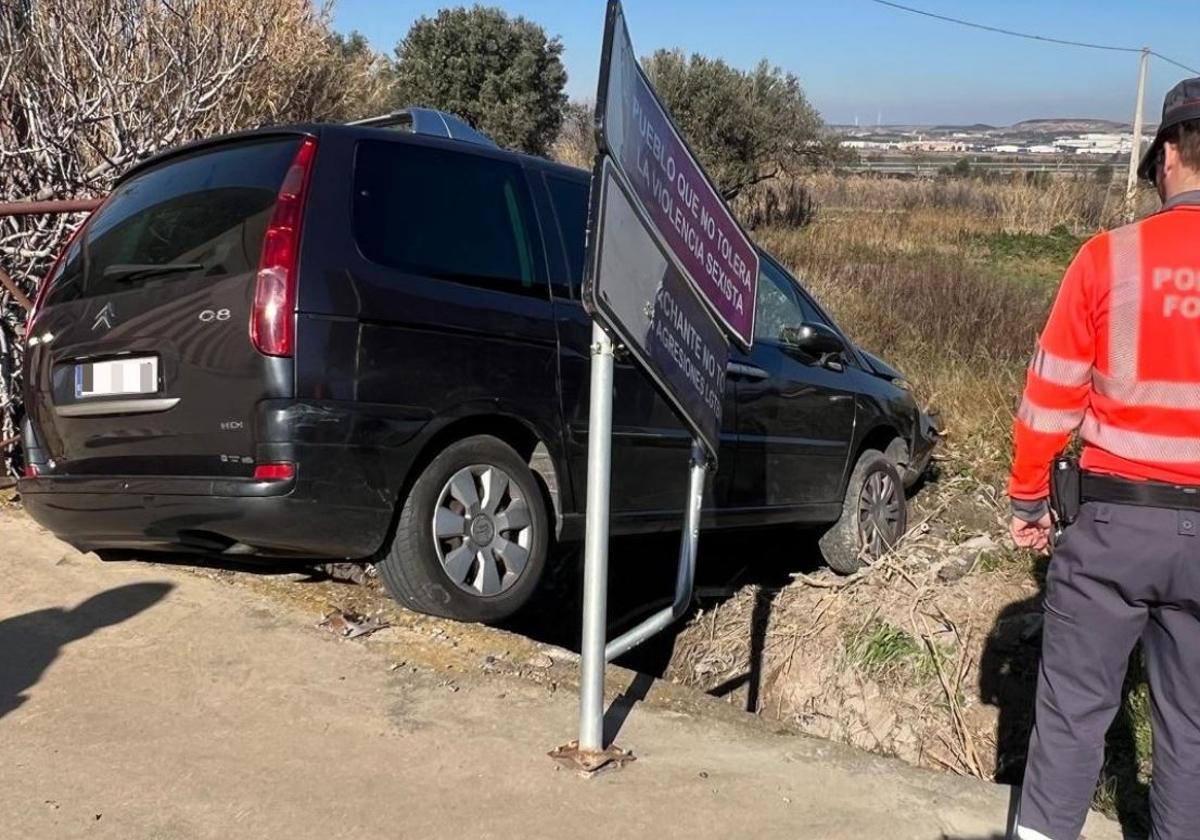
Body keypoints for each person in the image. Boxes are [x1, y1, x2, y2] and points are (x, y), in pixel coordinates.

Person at [1007, 77, 1200, 840]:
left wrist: (1028, 500)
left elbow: (1051, 394)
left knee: (1072, 717)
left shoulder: (1107, 259)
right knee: (1192, 732)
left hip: (1113, 525)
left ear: (1168, 161)